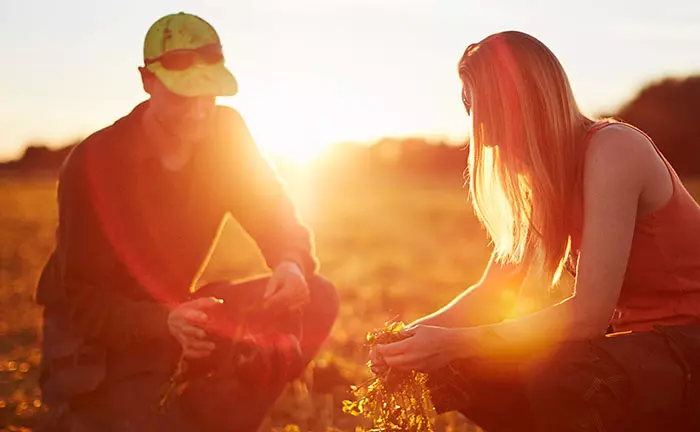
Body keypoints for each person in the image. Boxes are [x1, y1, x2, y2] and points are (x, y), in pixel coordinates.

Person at [373, 31, 700, 431]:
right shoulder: (545, 182)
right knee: (460, 364)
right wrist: (410, 339)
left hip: (689, 340)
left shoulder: (614, 149)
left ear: (516, 104)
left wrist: (449, 342)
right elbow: (492, 293)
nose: (482, 134)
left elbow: (588, 317)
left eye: (481, 110)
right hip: (641, 349)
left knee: (557, 368)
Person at [34, 11, 338, 432]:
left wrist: (289, 260)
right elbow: (82, 302)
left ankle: (213, 414)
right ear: (147, 81)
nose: (198, 113)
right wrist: (164, 321)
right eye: (182, 96)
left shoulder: (225, 133)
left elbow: (273, 214)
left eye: (209, 96)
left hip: (180, 318)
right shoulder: (93, 163)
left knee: (317, 297)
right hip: (97, 346)